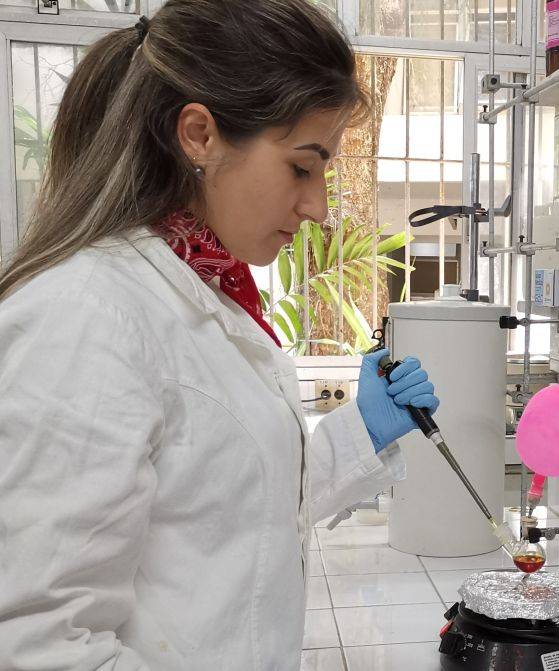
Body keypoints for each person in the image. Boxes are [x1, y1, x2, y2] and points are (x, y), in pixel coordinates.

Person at [0, 1, 438, 668]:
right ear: (199, 135)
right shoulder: (86, 315)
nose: (319, 208)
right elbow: (38, 643)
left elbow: (231, 511)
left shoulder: (204, 289)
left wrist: (362, 431)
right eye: (302, 167)